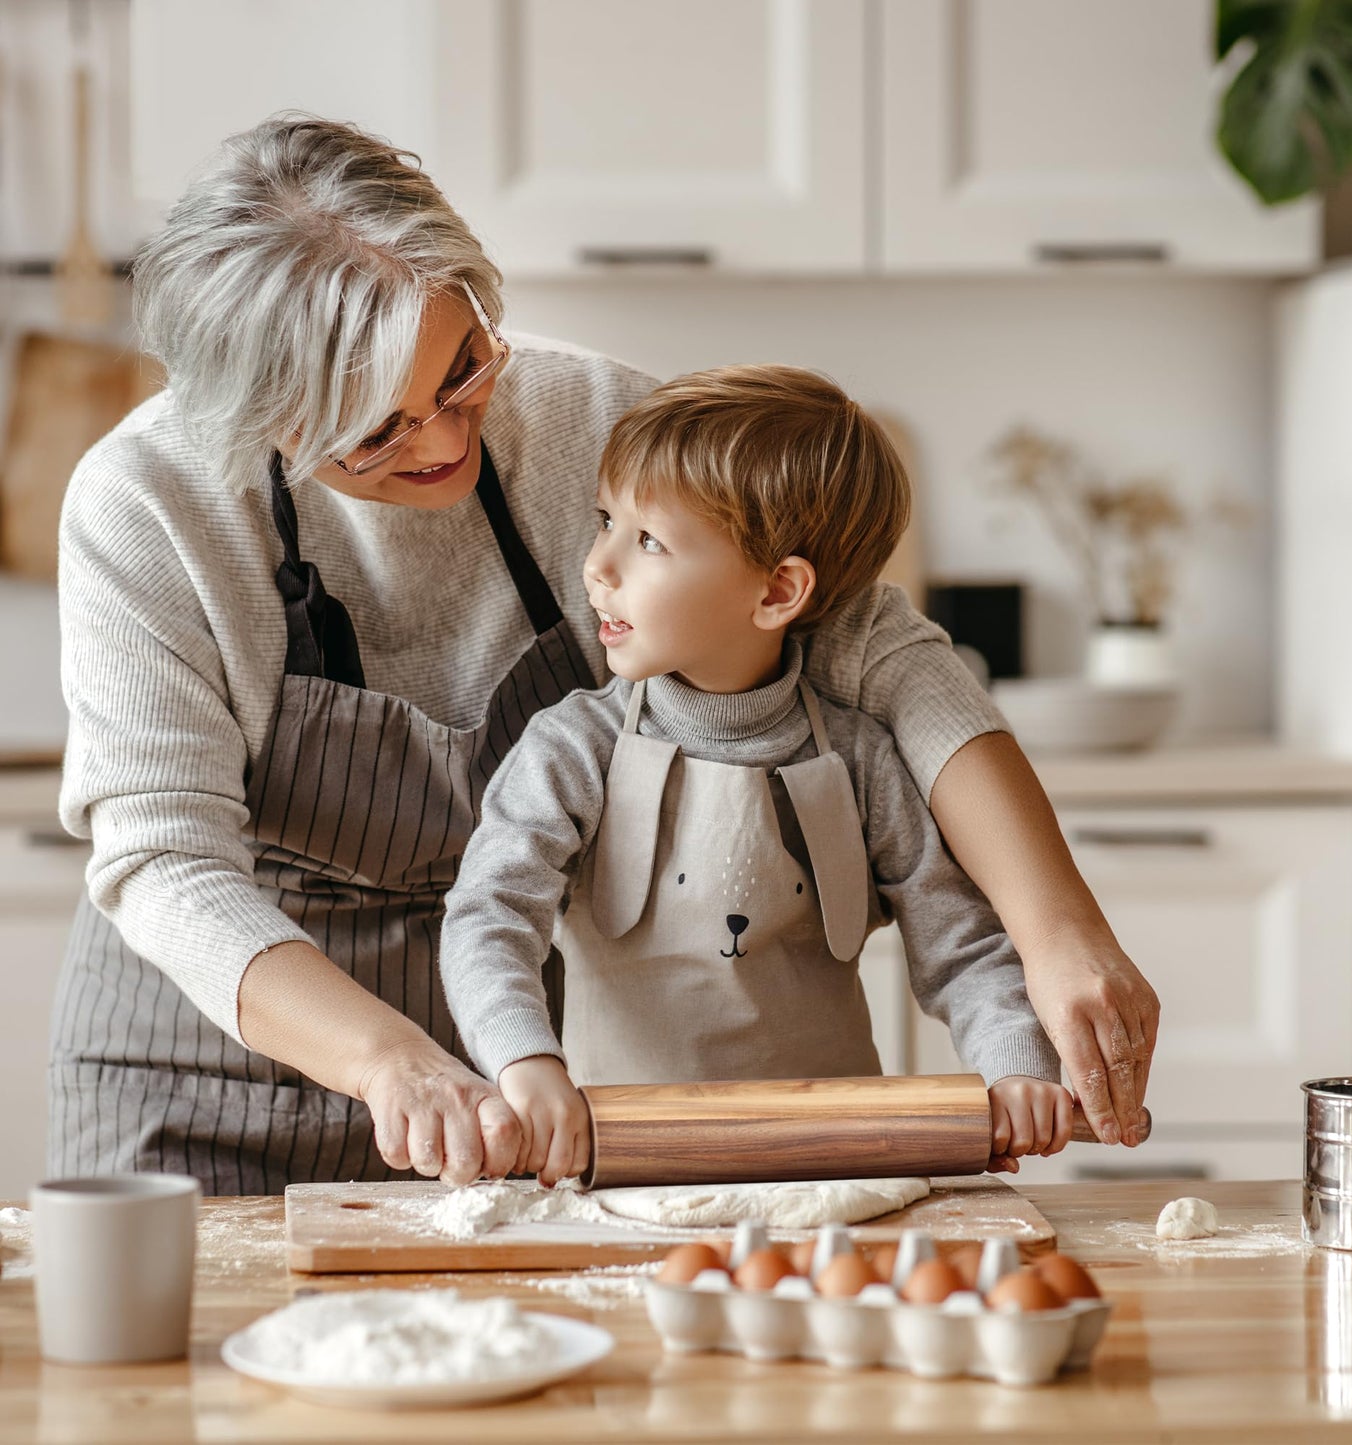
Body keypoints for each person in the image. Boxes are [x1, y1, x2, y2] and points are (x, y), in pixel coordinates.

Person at [51, 114, 1155, 1194]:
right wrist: (387, 1059)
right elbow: (166, 858)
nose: (443, 440)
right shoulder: (148, 505)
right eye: (371, 429)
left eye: (463, 368)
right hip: (198, 1072)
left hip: (515, 1074)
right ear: (253, 416)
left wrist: (1058, 932)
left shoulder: (593, 417)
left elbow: (887, 654)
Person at [439, 366, 1074, 1184]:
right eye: (605, 522)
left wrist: (1013, 1065)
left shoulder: (861, 760)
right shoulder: (572, 748)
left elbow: (965, 947)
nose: (598, 565)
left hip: (833, 1173)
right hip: (616, 1168)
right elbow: (487, 915)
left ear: (778, 590)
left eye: (649, 541)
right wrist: (525, 1061)